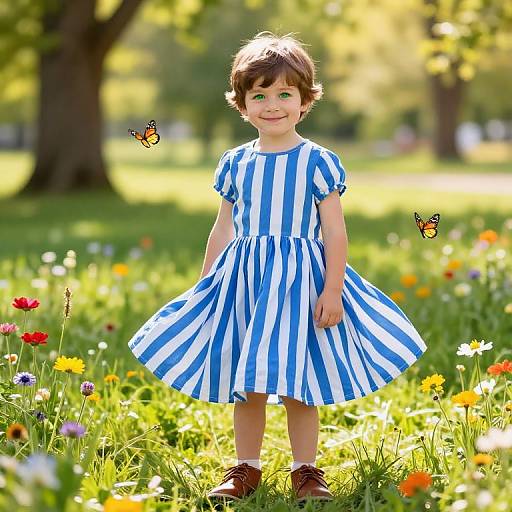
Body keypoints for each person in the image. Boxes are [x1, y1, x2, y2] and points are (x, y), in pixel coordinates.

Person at [127, 31, 427, 503]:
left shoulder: (318, 162)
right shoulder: (234, 164)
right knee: (246, 384)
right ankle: (246, 468)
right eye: (259, 95)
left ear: (305, 101)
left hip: (299, 284)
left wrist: (332, 290)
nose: (272, 105)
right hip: (244, 282)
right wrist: (207, 287)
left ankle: (306, 470)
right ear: (242, 104)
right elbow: (222, 228)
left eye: (285, 94)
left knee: (296, 380)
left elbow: (335, 233)